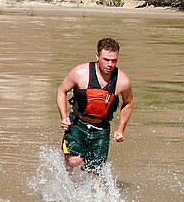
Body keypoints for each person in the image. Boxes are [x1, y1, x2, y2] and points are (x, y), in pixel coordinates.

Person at [56, 37, 133, 176]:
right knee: (74, 161)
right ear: (97, 56)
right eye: (106, 59)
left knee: (96, 174)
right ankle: (64, 178)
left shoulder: (123, 80)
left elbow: (128, 103)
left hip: (101, 129)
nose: (110, 64)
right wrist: (63, 116)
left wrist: (121, 129)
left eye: (114, 60)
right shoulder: (80, 73)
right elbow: (62, 91)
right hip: (77, 123)